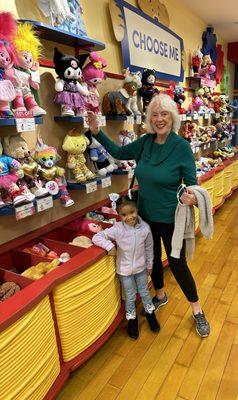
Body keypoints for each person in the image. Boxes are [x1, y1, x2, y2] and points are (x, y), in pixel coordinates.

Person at [87, 93, 210, 337]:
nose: (159, 119)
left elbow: (192, 184)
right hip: (145, 215)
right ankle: (160, 295)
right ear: (149, 119)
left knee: (177, 264)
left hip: (171, 217)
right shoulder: (145, 142)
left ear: (172, 117)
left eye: (164, 114)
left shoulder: (181, 147)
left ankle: (197, 310)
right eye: (154, 114)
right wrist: (96, 131)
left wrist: (192, 196)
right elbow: (120, 153)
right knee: (150, 259)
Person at [92, 196, 160, 340]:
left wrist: (149, 265)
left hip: (141, 269)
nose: (129, 217)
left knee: (144, 292)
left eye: (132, 212)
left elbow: (149, 248)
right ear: (119, 215)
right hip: (124, 271)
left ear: (136, 210)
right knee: (129, 296)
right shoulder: (117, 229)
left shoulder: (145, 228)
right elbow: (97, 237)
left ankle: (150, 314)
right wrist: (109, 246)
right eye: (124, 214)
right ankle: (132, 320)